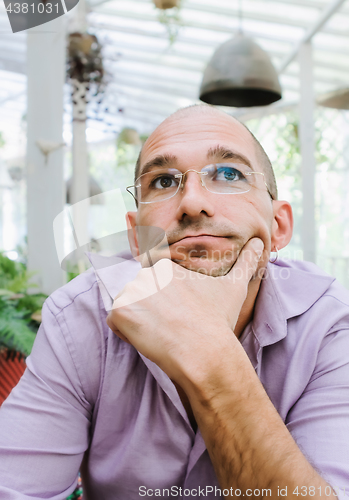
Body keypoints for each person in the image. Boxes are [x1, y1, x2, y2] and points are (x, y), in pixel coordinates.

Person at [0, 105, 348, 500]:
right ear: (136, 238)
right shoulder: (79, 318)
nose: (193, 203)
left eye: (229, 174)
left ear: (278, 226)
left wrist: (211, 354)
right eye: (164, 181)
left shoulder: (328, 323)